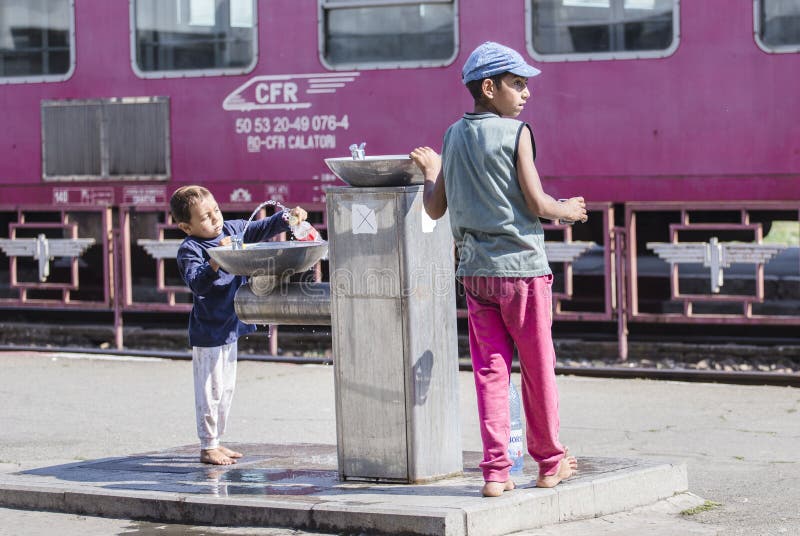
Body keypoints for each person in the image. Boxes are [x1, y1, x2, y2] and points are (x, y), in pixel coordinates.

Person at [410, 41, 587, 497]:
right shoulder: (517, 133)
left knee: (491, 372)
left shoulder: (451, 136)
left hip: (476, 276)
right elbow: (536, 202)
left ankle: (495, 472)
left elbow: (433, 210)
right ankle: (549, 462)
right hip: (522, 272)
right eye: (517, 84)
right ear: (489, 87)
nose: (525, 93)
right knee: (537, 367)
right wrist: (568, 210)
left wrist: (431, 171)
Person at [170, 185, 308, 465]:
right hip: (209, 330)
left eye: (216, 211)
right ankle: (207, 445)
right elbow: (196, 283)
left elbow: (260, 227)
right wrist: (215, 260)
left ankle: (216, 441)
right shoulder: (190, 249)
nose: (216, 219)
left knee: (227, 389)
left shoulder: (232, 230)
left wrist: (286, 218)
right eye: (206, 217)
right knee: (210, 390)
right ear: (186, 227)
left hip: (232, 326)